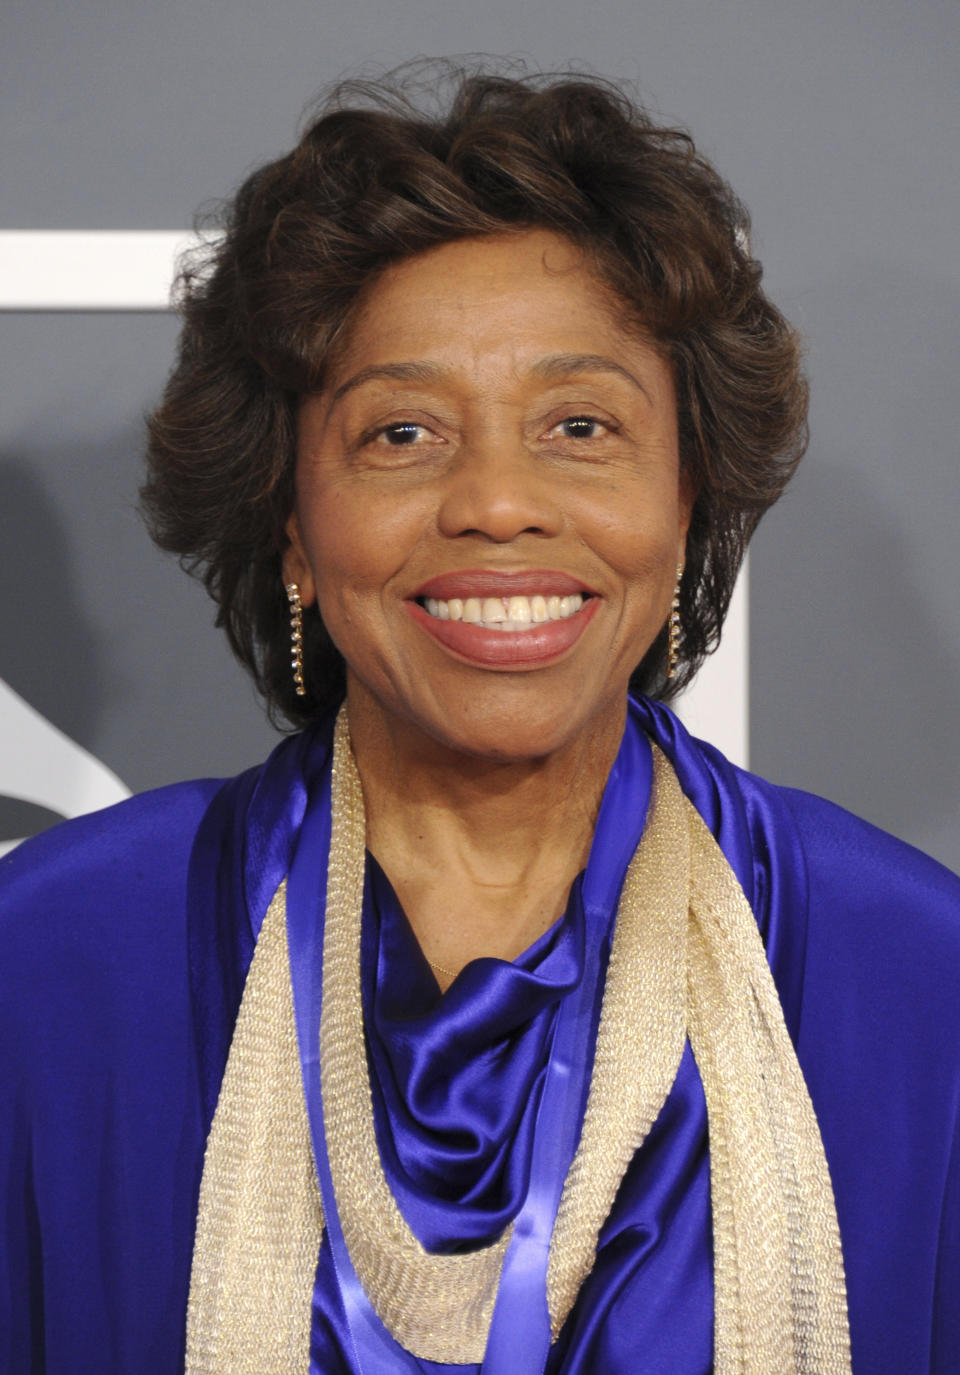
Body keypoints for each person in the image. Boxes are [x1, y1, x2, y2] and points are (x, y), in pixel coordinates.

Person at [1, 64, 958, 1375]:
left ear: (687, 504)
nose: (498, 502)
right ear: (292, 523)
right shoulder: (56, 962)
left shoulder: (905, 974)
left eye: (579, 425)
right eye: (401, 433)